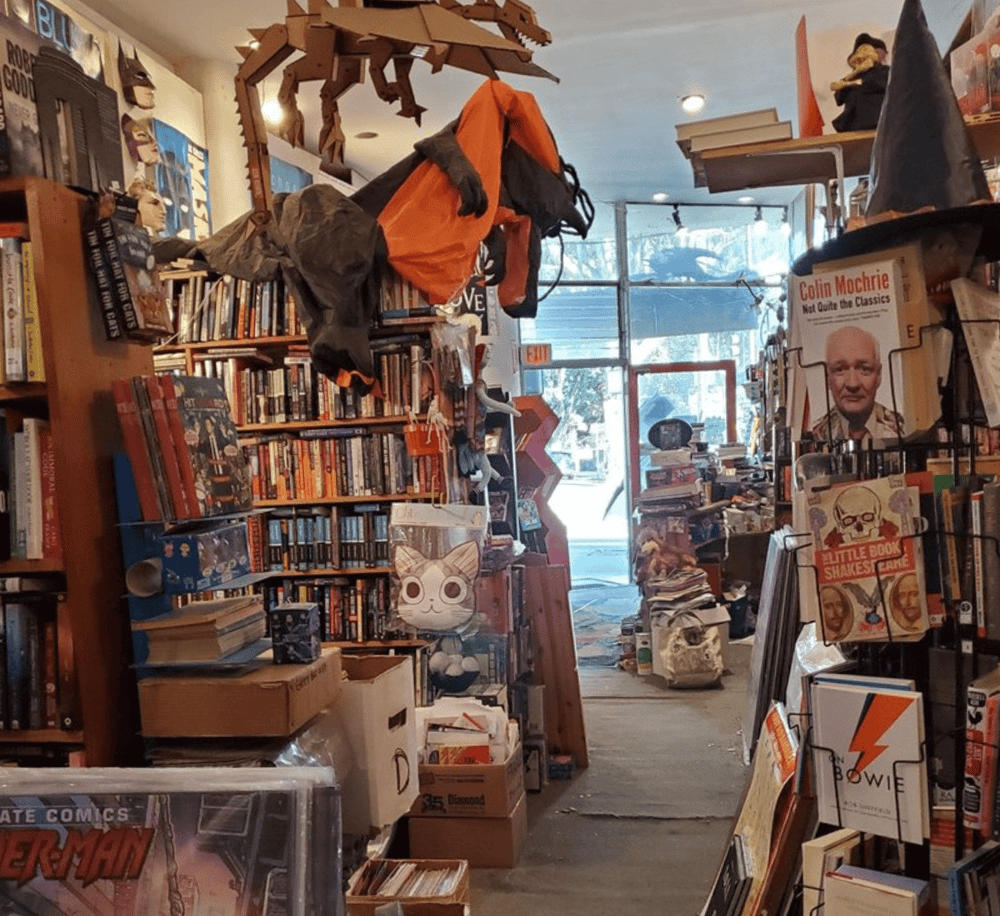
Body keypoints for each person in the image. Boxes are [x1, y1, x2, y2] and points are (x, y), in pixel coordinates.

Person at [811, 325, 903, 444]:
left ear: (879, 375)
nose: (852, 384)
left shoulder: (903, 428)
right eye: (840, 370)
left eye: (864, 369)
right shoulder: (815, 435)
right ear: (827, 377)